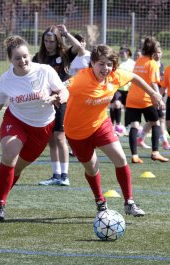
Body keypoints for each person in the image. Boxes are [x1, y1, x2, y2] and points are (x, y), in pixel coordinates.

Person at [0, 36, 68, 221]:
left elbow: (64, 91)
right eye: (17, 58)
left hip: (42, 128)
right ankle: (0, 205)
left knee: (16, 169)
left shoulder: (44, 71)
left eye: (25, 56)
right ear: (11, 59)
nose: (22, 61)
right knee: (9, 154)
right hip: (16, 121)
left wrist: (59, 98)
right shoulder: (6, 79)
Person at [64, 45, 164, 217]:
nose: (106, 68)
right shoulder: (80, 79)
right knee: (92, 168)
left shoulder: (115, 76)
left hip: (101, 125)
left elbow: (134, 77)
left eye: (109, 64)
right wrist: (55, 95)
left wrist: (154, 94)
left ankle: (129, 202)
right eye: (101, 64)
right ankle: (100, 201)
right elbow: (63, 86)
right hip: (77, 132)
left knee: (120, 158)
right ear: (92, 64)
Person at [33, 24, 82, 186]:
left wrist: (67, 33)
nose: (48, 44)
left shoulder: (65, 54)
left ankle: (65, 176)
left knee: (60, 137)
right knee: (51, 140)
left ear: (57, 41)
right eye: (46, 41)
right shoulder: (38, 58)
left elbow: (78, 47)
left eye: (52, 41)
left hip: (61, 100)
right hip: (46, 102)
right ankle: (56, 175)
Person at [125, 36, 169, 164]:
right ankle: (155, 152)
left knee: (134, 126)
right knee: (156, 123)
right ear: (154, 49)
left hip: (132, 98)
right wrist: (159, 99)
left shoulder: (139, 61)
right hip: (145, 99)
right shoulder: (152, 63)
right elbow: (154, 83)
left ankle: (134, 155)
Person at [137, 46, 170, 150]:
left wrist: (164, 89)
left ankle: (140, 139)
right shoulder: (150, 64)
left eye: (159, 52)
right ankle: (164, 142)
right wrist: (157, 96)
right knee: (160, 119)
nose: (157, 54)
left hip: (159, 95)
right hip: (153, 96)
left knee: (154, 120)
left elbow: (162, 81)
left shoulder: (161, 65)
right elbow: (152, 82)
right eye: (155, 52)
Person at [110, 45, 135, 136]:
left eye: (123, 52)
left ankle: (127, 126)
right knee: (116, 104)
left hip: (129, 89)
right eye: (120, 52)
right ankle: (117, 125)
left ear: (128, 53)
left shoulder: (133, 63)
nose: (121, 54)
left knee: (128, 108)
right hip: (118, 88)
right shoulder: (117, 63)